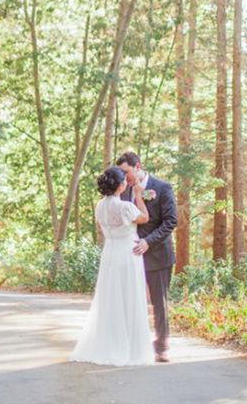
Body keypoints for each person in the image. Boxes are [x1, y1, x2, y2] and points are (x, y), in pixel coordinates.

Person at [70, 166, 155, 366]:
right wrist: (138, 195)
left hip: (110, 253)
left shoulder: (100, 206)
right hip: (127, 253)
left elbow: (102, 227)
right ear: (120, 185)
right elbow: (144, 218)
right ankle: (129, 348)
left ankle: (108, 344)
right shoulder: (125, 207)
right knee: (128, 297)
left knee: (111, 299)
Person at [116, 151, 177, 363]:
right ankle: (133, 344)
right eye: (122, 174)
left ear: (138, 167)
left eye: (127, 172)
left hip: (158, 254)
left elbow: (170, 222)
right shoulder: (122, 192)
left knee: (159, 302)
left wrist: (148, 242)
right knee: (131, 300)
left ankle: (162, 347)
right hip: (130, 256)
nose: (125, 178)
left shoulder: (162, 188)